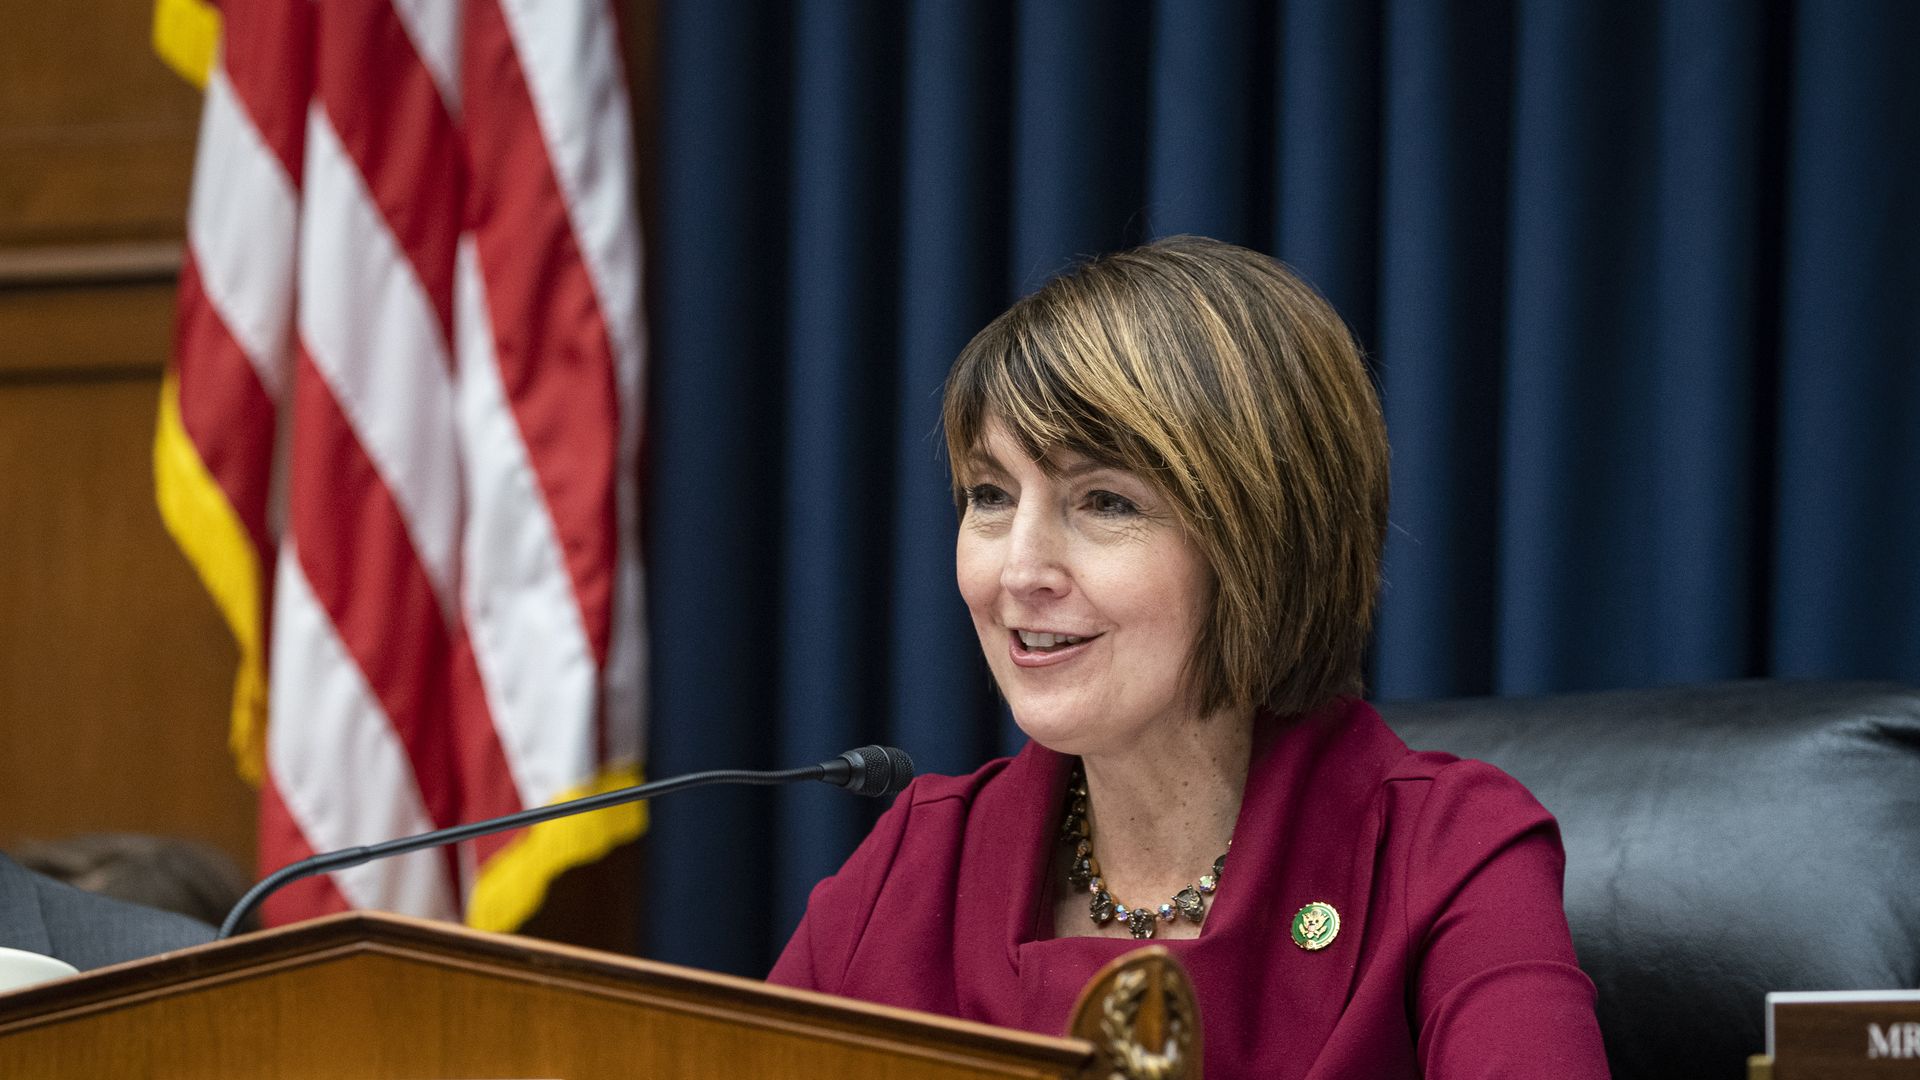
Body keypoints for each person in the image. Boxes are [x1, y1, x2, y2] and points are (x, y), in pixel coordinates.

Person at [767, 236, 1609, 1078]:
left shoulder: (1447, 856)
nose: (1018, 571)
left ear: (1265, 541)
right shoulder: (916, 863)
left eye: (1104, 501)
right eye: (991, 496)